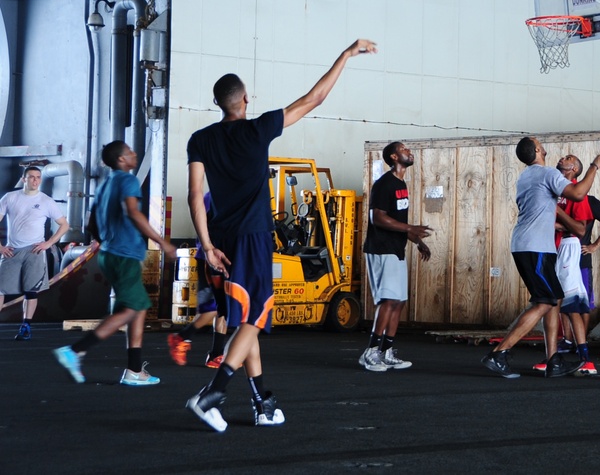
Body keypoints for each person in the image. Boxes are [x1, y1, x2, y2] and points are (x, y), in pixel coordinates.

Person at [185, 38, 376, 432]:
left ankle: (262, 401)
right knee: (255, 316)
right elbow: (314, 98)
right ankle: (211, 395)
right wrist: (344, 55)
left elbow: (192, 196)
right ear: (245, 100)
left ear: (220, 103)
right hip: (252, 236)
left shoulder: (200, 139)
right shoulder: (258, 129)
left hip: (219, 237)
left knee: (242, 320)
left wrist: (205, 246)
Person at [481, 137, 600, 379]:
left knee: (554, 300)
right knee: (544, 301)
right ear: (538, 150)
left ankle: (553, 360)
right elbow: (579, 193)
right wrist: (595, 165)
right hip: (535, 247)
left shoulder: (527, 175)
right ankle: (499, 353)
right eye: (540, 142)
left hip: (536, 246)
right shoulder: (545, 173)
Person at [53, 141, 176, 385]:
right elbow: (133, 212)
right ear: (121, 160)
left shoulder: (104, 185)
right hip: (124, 255)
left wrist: (108, 240)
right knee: (131, 309)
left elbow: (91, 224)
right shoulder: (127, 180)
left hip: (109, 254)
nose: (135, 154)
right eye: (130, 152)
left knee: (136, 308)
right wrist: (162, 242)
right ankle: (76, 350)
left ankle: (134, 370)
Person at [358, 142, 432, 372]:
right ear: (394, 157)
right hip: (380, 249)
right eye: (404, 150)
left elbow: (397, 222)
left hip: (396, 249)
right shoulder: (384, 184)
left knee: (399, 302)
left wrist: (417, 240)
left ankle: (387, 351)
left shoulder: (402, 185)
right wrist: (410, 227)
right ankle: (370, 352)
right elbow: (377, 218)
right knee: (387, 300)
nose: (409, 152)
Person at [552, 155, 600, 372]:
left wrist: (596, 245)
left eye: (568, 158)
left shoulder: (583, 198)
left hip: (575, 252)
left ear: (574, 169)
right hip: (558, 251)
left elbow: (595, 225)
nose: (562, 157)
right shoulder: (557, 192)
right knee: (564, 303)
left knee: (579, 304)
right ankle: (570, 346)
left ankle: (583, 354)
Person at [0, 165, 70, 340]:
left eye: (38, 177)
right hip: (12, 250)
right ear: (24, 179)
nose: (35, 180)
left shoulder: (46, 201)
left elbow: (64, 225)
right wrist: (0, 247)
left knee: (31, 291)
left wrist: (49, 243)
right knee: (1, 290)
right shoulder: (10, 197)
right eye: (31, 177)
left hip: (35, 251)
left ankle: (26, 326)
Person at [168, 193, 228, 368]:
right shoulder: (213, 197)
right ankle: (181, 337)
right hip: (212, 257)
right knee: (216, 307)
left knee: (222, 309)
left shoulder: (223, 195)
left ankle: (216, 354)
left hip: (221, 255)